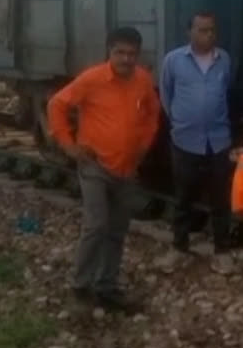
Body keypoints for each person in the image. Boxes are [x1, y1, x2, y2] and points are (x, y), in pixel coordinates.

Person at [47, 27, 160, 313]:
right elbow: (56, 105)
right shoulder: (92, 79)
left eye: (131, 54)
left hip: (126, 169)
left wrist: (143, 147)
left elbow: (151, 115)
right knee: (96, 224)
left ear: (138, 55)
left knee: (117, 230)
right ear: (109, 52)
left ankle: (106, 287)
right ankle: (80, 286)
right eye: (120, 52)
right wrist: (69, 146)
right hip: (94, 166)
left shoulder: (143, 81)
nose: (125, 59)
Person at [154, 12, 236, 274]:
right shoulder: (173, 60)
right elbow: (166, 94)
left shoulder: (224, 59)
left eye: (212, 30)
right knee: (184, 196)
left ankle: (222, 252)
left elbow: (226, 92)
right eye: (202, 30)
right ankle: (179, 248)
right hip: (185, 141)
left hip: (218, 141)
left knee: (220, 199)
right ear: (189, 32)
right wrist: (180, 122)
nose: (208, 35)